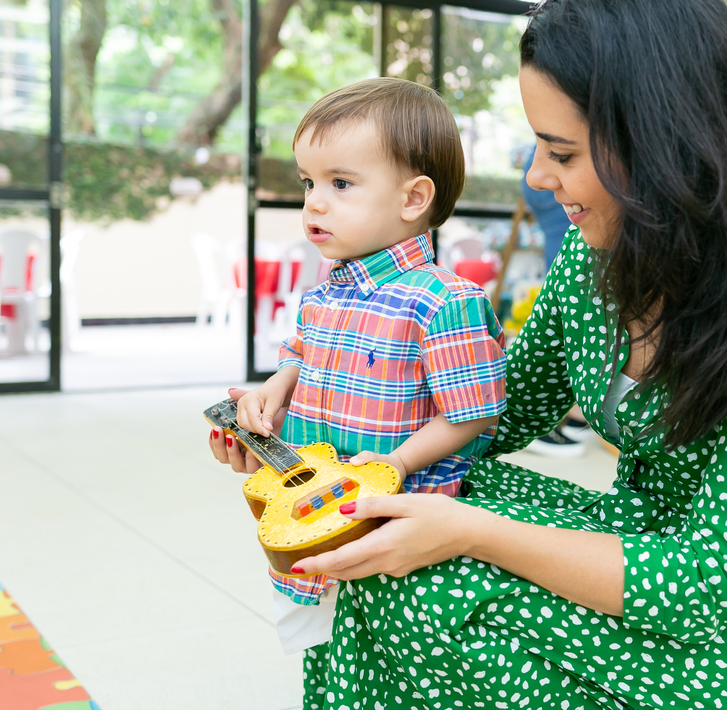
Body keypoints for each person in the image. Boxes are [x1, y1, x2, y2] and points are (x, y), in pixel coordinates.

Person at [215, 0, 727, 709]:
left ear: (666, 145)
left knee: (427, 580)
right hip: (633, 533)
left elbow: (702, 583)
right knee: (381, 532)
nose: (535, 176)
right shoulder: (593, 269)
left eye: (561, 153)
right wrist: (312, 454)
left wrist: (466, 531)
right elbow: (492, 415)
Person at [210, 78, 506, 655]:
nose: (314, 202)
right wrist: (271, 393)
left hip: (394, 535)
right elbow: (301, 358)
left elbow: (472, 415)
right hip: (310, 516)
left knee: (388, 662)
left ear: (413, 199)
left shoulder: (445, 302)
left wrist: (395, 462)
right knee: (321, 656)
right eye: (309, 183)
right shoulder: (324, 295)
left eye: (341, 183)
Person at [519, 146, 600, 458]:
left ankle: (576, 412)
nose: (534, 177)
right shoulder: (578, 249)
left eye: (562, 153)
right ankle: (573, 413)